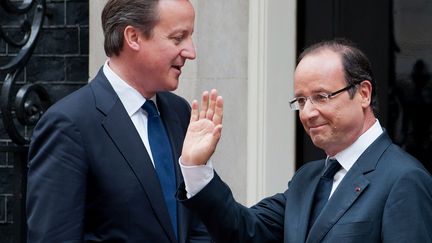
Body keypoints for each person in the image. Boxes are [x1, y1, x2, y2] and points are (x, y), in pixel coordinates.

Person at [177, 39, 432, 242]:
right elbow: (244, 230)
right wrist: (197, 169)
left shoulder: (403, 179)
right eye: (300, 101)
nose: (308, 113)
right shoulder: (307, 179)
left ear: (363, 94)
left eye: (321, 96)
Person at [26, 0, 212, 242]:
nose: (191, 51)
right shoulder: (70, 124)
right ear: (133, 37)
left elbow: (198, 224)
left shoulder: (179, 112)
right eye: (178, 38)